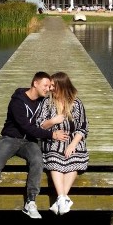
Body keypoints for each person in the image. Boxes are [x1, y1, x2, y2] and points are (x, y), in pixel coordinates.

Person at [0, 72, 69, 223]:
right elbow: (26, 127)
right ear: (35, 83)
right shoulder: (17, 101)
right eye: (45, 85)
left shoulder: (43, 101)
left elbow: (60, 98)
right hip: (10, 139)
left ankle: (31, 202)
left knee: (38, 160)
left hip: (29, 142)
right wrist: (52, 135)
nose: (48, 89)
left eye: (49, 86)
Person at [36, 71, 89, 215]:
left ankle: (61, 198)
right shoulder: (47, 103)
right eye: (50, 86)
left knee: (73, 157)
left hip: (72, 139)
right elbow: (40, 125)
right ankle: (63, 197)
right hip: (53, 138)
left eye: (53, 86)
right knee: (54, 158)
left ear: (62, 86)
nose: (50, 88)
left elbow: (83, 127)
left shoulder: (76, 103)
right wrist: (54, 121)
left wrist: (72, 144)